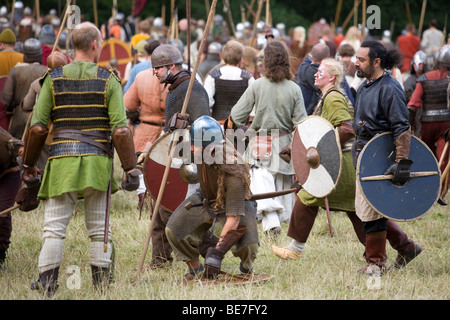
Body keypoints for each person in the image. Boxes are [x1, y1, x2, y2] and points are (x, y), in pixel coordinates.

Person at [21, 22, 139, 295]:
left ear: (74, 45)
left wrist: (28, 165)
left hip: (61, 162)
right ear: (96, 45)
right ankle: (101, 287)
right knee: (99, 230)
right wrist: (131, 168)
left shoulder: (53, 78)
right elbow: (120, 130)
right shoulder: (108, 79)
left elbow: (38, 128)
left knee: (53, 229)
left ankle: (48, 284)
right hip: (97, 163)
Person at [272, 58, 365, 260]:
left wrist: (321, 148)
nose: (315, 74)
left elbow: (347, 130)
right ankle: (400, 246)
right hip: (340, 161)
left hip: (342, 163)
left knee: (307, 198)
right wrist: (294, 147)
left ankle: (295, 249)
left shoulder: (333, 98)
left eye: (320, 72)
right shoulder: (327, 97)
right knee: (357, 211)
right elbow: (319, 132)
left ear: (332, 77)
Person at [142, 43, 215, 269]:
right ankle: (160, 259)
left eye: (158, 68)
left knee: (171, 212)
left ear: (171, 66)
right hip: (174, 156)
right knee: (158, 207)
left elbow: (204, 126)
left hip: (189, 161)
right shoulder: (176, 88)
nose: (154, 72)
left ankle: (212, 252)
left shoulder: (190, 88)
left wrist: (188, 128)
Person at [352, 40, 422, 275]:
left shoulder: (390, 87)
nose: (356, 62)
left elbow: (402, 127)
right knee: (370, 208)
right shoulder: (363, 86)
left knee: (372, 212)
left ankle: (375, 264)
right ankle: (407, 247)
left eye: (361, 59)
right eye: (356, 58)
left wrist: (402, 162)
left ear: (376, 61)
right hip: (364, 155)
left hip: (381, 156)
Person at [165, 116, 259, 280]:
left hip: (236, 205)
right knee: (173, 230)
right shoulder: (201, 151)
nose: (192, 149)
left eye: (195, 146)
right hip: (206, 199)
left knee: (248, 245)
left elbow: (233, 220)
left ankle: (246, 268)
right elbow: (175, 151)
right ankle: (195, 268)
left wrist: (216, 253)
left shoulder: (234, 174)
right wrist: (177, 133)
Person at [229, 40, 307, 234]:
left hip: (260, 142)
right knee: (281, 184)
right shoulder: (294, 88)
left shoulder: (257, 85)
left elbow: (236, 116)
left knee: (262, 183)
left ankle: (272, 223)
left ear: (267, 62)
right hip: (285, 145)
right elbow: (302, 124)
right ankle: (277, 224)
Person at [123, 41, 167, 209]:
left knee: (143, 165)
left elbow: (128, 105)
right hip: (168, 131)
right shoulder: (179, 77)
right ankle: (151, 200)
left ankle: (144, 199)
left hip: (146, 128)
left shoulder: (141, 76)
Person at [407, 45, 450, 200]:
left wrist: (410, 126)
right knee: (443, 160)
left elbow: (412, 105)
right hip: (446, 125)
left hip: (427, 124)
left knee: (424, 156)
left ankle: (424, 189)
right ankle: (441, 192)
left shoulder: (425, 79)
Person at [2, 38, 47, 139]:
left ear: (25, 55)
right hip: (40, 120)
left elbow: (7, 99)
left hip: (18, 119)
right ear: (40, 55)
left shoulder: (15, 71)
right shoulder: (46, 71)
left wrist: (11, 108)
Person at [204, 40, 255, 123]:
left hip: (219, 125)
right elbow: (253, 106)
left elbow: (207, 101)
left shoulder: (212, 77)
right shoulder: (248, 78)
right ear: (241, 59)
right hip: (241, 127)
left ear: (223, 56)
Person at [0, 127, 23, 271]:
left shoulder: (3, 142)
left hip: (9, 173)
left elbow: (23, 150)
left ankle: (0, 254)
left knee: (1, 212)